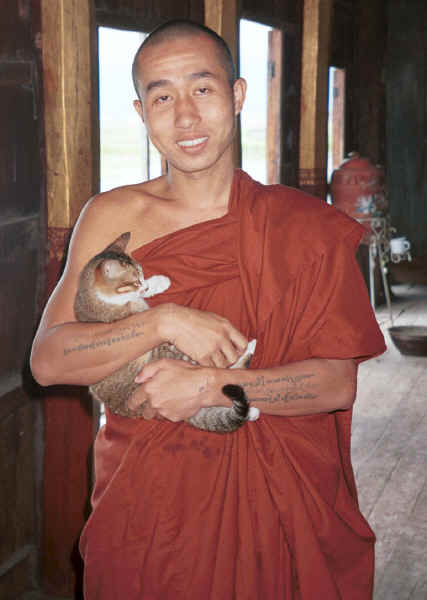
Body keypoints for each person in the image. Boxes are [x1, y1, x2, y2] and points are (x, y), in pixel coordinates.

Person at [31, 19, 386, 600]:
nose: (185, 117)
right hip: (148, 509)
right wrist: (162, 321)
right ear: (142, 112)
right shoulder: (111, 218)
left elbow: (333, 385)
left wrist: (212, 386)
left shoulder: (302, 227)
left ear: (237, 95)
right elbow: (48, 361)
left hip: (275, 513)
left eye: (202, 89)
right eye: (161, 97)